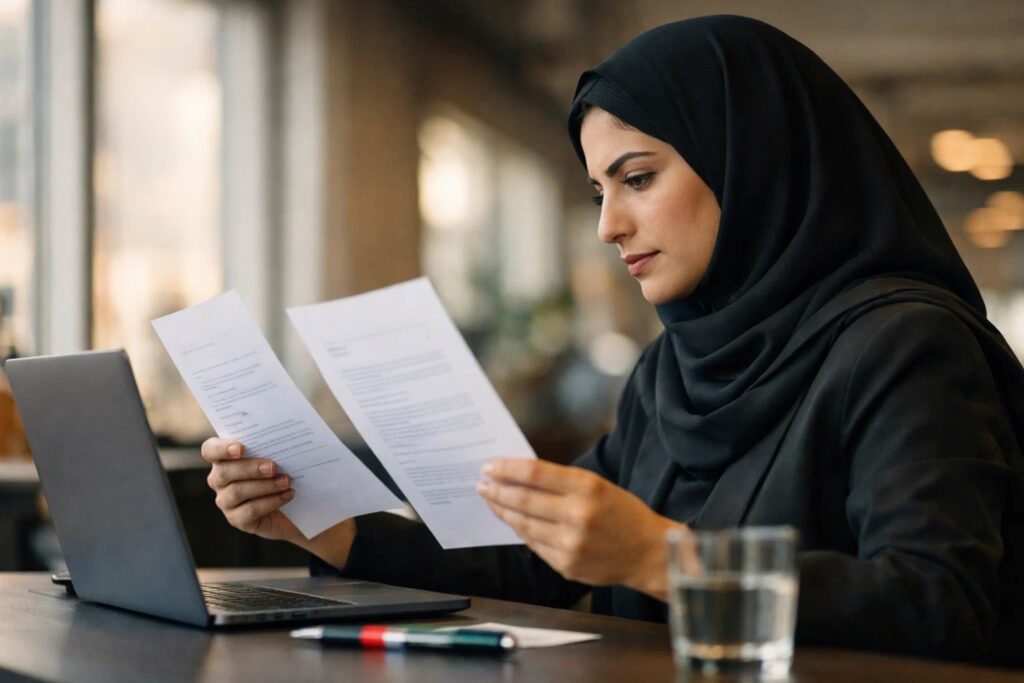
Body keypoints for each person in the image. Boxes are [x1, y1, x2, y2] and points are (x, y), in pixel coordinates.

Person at [200, 16, 1024, 664]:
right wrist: (328, 528)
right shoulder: (672, 369)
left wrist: (661, 559)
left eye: (637, 178)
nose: (607, 224)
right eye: (598, 190)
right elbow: (537, 557)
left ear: (751, 159)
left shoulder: (909, 346)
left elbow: (938, 604)